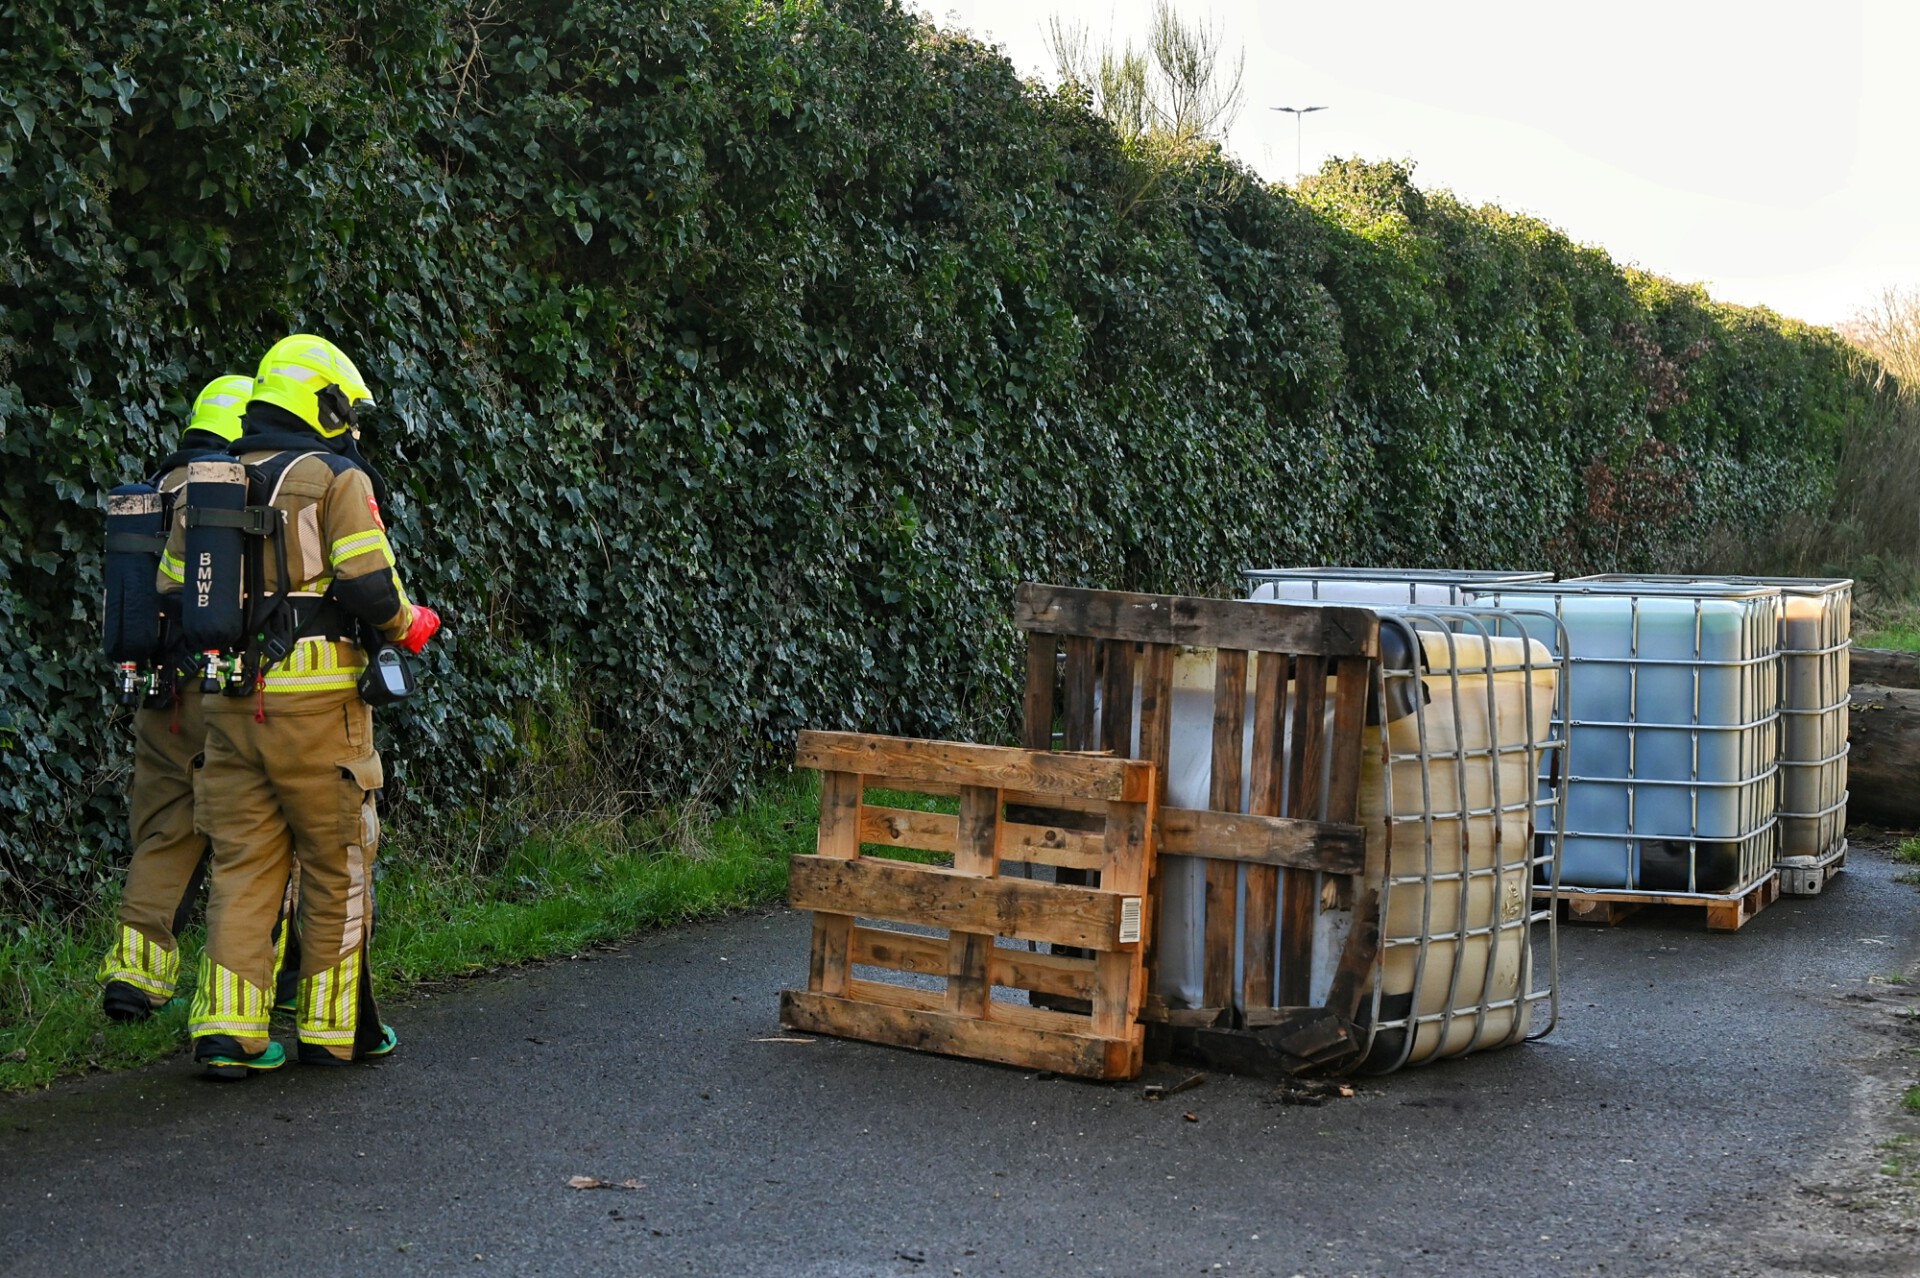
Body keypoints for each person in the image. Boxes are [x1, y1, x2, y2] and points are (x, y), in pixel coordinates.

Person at [158, 335, 440, 1078]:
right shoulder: (333, 477)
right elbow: (372, 589)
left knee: (245, 865)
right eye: (345, 410)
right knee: (338, 863)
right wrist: (412, 625)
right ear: (321, 404)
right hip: (320, 713)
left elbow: (169, 593)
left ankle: (228, 1031)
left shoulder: (202, 482)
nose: (350, 425)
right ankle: (331, 1031)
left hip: (226, 705)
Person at [98, 375, 256, 1021]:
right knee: (255, 840)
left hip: (157, 696)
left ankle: (135, 974)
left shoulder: (156, 492)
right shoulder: (235, 491)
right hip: (224, 694)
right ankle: (258, 984)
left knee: (165, 832)